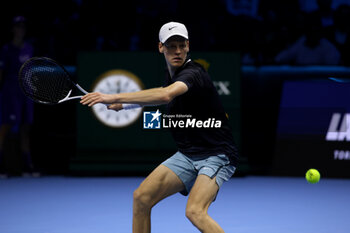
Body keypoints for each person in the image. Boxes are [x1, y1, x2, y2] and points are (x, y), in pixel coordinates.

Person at [81, 22, 238, 233]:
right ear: (161, 47)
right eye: (171, 46)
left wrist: (113, 95)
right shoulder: (172, 73)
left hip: (216, 154)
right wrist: (126, 104)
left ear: (188, 46)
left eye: (182, 45)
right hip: (188, 154)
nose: (178, 51)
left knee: (195, 211)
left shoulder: (193, 72)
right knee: (141, 198)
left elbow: (166, 94)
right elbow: (163, 95)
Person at [0, 16, 35, 178]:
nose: (20, 29)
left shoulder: (29, 49)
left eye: (23, 26)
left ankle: (27, 166)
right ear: (13, 29)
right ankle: (2, 166)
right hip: (10, 91)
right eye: (17, 26)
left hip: (26, 92)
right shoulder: (6, 49)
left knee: (25, 128)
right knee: (6, 127)